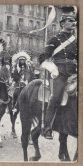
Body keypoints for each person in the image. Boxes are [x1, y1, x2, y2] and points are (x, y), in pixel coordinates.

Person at [39, 6, 77, 139]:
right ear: (62, 23)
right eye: (70, 21)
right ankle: (47, 128)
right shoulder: (54, 40)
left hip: (74, 73)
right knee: (55, 98)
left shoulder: (76, 40)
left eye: (74, 21)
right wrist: (52, 68)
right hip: (59, 73)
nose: (74, 23)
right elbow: (42, 58)